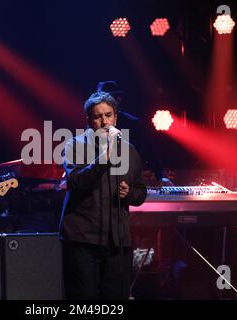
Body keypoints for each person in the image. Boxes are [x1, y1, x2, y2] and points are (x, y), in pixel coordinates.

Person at [59, 91, 147, 300]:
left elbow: (141, 191)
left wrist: (129, 193)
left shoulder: (129, 151)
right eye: (98, 116)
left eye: (108, 115)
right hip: (82, 240)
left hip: (117, 242)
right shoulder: (75, 146)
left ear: (116, 118)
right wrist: (104, 157)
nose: (104, 121)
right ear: (88, 120)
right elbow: (76, 181)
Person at [97, 80, 174, 186]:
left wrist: (160, 175)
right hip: (102, 185)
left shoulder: (133, 124)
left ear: (118, 100)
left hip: (128, 184)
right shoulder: (94, 125)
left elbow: (149, 151)